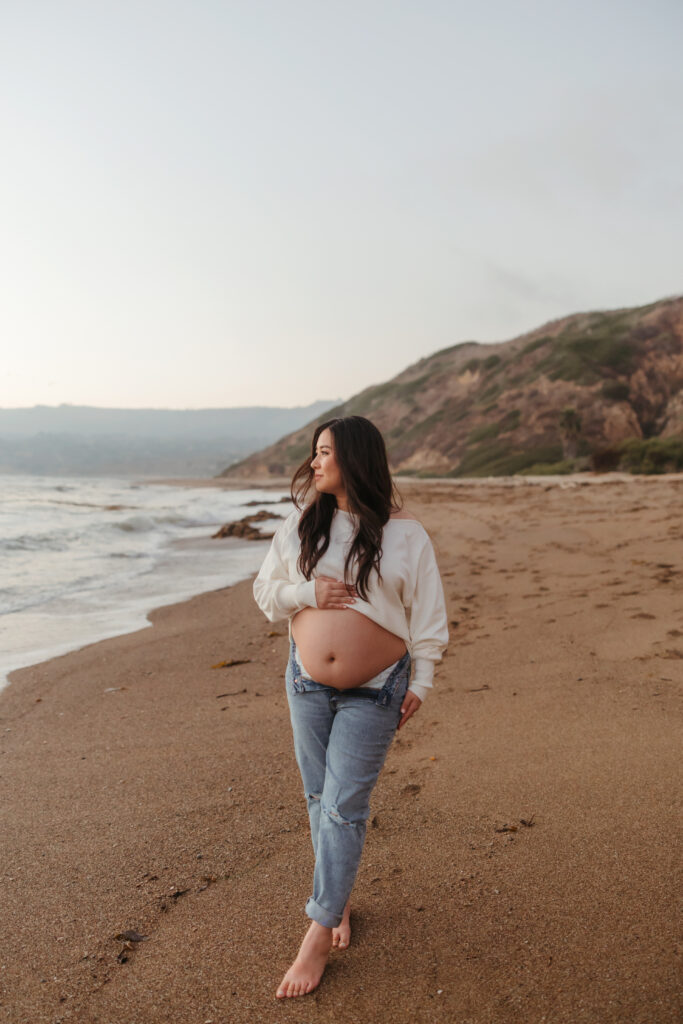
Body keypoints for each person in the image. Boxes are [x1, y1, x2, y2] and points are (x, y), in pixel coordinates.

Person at [253, 415, 448, 999]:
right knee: (319, 798)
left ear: (356, 459)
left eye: (325, 453)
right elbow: (267, 596)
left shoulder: (405, 534)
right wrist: (307, 593)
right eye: (313, 453)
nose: (315, 463)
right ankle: (336, 902)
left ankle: (317, 930)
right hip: (307, 684)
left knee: (343, 803)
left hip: (378, 686)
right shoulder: (298, 526)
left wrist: (425, 680)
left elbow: (429, 616)